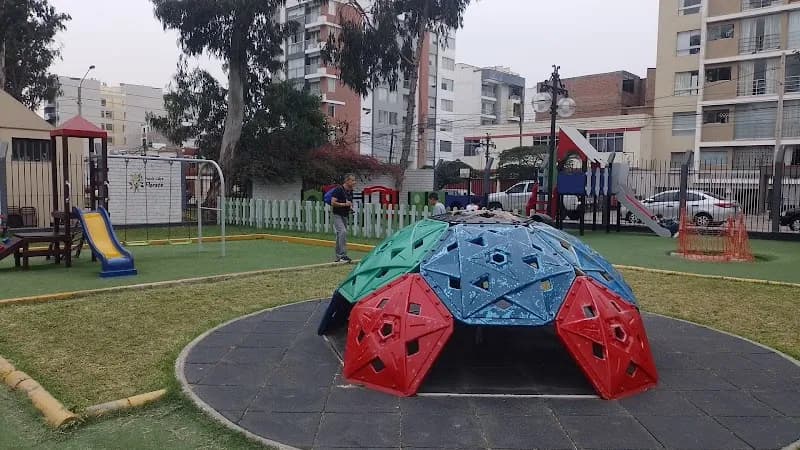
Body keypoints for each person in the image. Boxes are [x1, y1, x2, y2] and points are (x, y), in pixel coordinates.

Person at [330, 174, 356, 263]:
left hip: (345, 215)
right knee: (342, 232)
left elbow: (349, 202)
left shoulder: (350, 191)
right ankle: (342, 256)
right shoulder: (338, 189)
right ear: (347, 181)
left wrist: (350, 207)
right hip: (337, 214)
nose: (354, 182)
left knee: (340, 235)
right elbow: (333, 202)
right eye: (352, 180)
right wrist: (344, 204)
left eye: (354, 180)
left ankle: (339, 257)